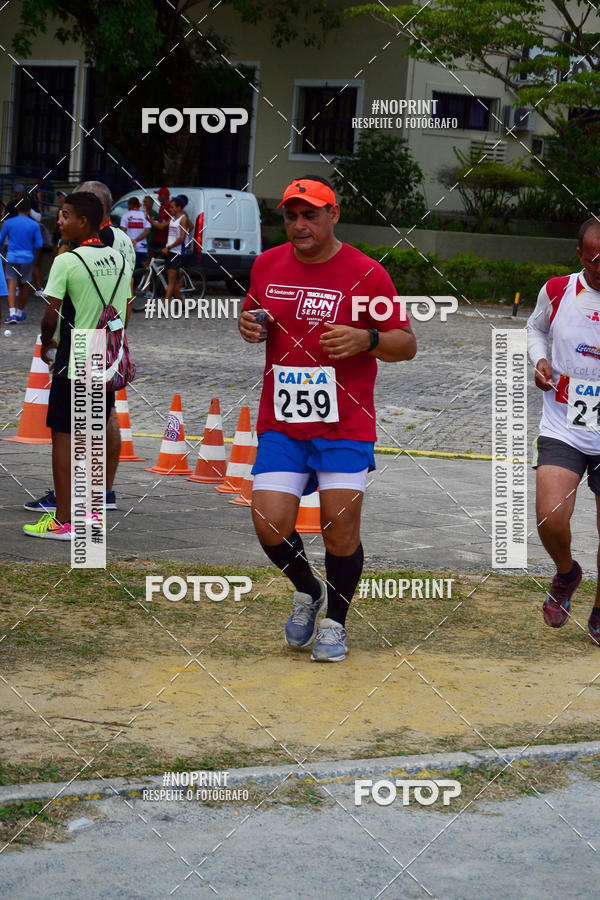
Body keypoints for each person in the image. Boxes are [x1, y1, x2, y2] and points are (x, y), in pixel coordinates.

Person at [238, 176, 417, 662]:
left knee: (340, 528)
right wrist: (248, 323)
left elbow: (406, 342)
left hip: (345, 423)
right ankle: (307, 589)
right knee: (269, 523)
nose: (299, 225)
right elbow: (253, 311)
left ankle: (335, 622)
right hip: (283, 419)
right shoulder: (267, 264)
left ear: (332, 215)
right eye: (291, 216)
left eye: (310, 215)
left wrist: (369, 340)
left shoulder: (366, 274)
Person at [23, 191, 130, 540]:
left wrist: (48, 342)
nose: (59, 220)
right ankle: (91, 516)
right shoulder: (119, 257)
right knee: (93, 436)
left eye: (66, 215)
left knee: (64, 437)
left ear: (83, 222)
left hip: (77, 354)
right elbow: (124, 306)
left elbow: (50, 314)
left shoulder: (67, 261)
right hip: (108, 355)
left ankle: (64, 521)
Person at [527, 216, 600, 645]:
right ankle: (567, 573)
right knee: (550, 517)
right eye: (594, 264)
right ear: (579, 255)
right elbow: (535, 328)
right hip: (564, 425)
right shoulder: (557, 290)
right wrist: (540, 361)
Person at [0, 198, 43, 323]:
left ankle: (12, 313)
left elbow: (1, 239)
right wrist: (30, 248)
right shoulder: (34, 224)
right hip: (27, 257)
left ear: (17, 208)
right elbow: (39, 243)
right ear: (29, 210)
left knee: (11, 284)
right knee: (25, 284)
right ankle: (19, 312)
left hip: (12, 256)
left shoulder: (9, 222)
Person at [161, 194, 192, 301]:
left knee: (171, 280)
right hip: (170, 251)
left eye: (172, 207)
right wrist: (149, 220)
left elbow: (182, 238)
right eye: (170, 207)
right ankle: (182, 303)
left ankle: (165, 305)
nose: (170, 209)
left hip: (177, 252)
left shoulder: (183, 219)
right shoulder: (173, 218)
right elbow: (161, 226)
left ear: (179, 207)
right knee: (172, 281)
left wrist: (168, 247)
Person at [120, 196, 151, 269]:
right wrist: (136, 240)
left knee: (130, 270)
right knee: (146, 270)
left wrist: (131, 241)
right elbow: (147, 231)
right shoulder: (144, 215)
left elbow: (122, 231)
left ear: (130, 205)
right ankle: (149, 280)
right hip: (142, 247)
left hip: (130, 247)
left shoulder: (125, 216)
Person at [147, 187, 171, 258]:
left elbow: (163, 226)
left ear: (166, 196)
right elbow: (161, 221)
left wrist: (151, 221)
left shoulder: (170, 207)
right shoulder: (162, 206)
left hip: (165, 239)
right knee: (151, 253)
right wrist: (155, 221)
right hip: (158, 237)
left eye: (160, 195)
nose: (158, 197)